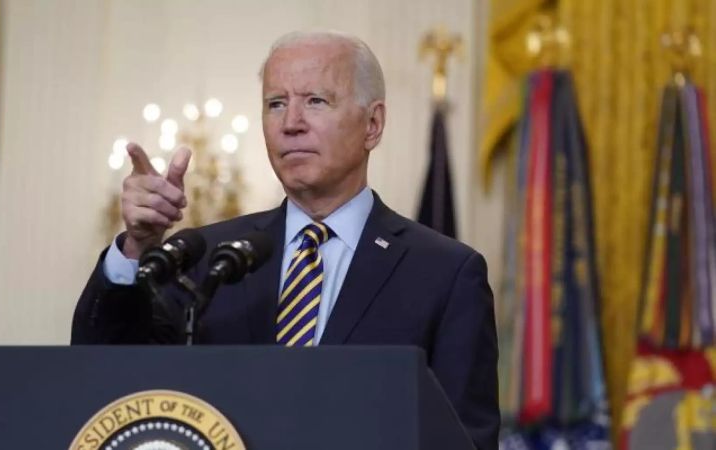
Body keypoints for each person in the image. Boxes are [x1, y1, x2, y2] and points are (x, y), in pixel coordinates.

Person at [72, 30, 499, 449]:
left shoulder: (444, 273)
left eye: (316, 101)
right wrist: (136, 248)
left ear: (373, 124)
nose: (291, 123)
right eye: (276, 104)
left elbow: (465, 441)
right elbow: (104, 375)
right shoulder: (207, 259)